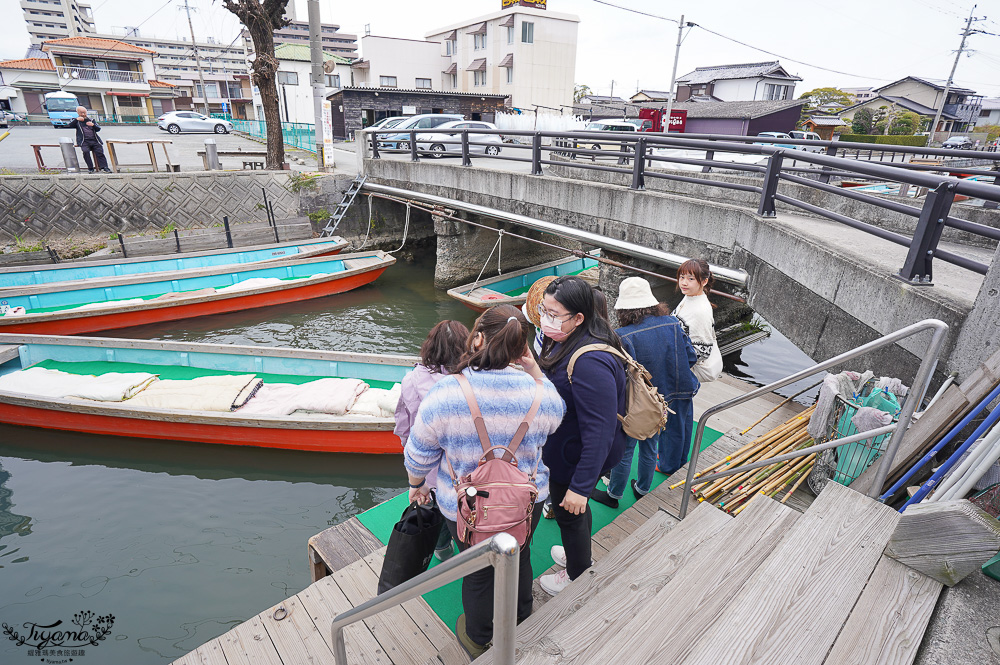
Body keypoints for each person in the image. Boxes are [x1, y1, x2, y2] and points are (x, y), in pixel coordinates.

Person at [404, 305, 565, 657]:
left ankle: (478, 636)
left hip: (466, 504)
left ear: (477, 338)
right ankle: (521, 618)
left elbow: (418, 456)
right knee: (519, 554)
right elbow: (557, 416)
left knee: (477, 570)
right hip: (526, 499)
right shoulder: (540, 394)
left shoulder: (446, 392)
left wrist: (417, 484)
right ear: (522, 348)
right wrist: (535, 371)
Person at [535, 275, 627, 596]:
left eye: (553, 314)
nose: (546, 319)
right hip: (569, 448)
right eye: (543, 310)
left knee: (570, 511)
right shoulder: (573, 338)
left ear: (578, 318)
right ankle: (579, 555)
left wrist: (581, 486)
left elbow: (600, 430)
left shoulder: (590, 361)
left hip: (575, 458)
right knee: (576, 512)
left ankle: (576, 575)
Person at [592, 277, 698, 508]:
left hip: (638, 403)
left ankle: (614, 495)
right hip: (668, 398)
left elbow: (618, 377)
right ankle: (642, 489)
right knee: (651, 445)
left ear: (623, 308)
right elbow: (691, 357)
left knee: (626, 450)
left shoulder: (622, 335)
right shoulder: (672, 323)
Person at [393, 319, 469, 561]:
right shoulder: (472, 378)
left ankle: (442, 549)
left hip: (429, 467)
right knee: (464, 509)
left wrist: (416, 478)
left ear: (429, 346)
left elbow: (404, 426)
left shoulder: (412, 380)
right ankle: (469, 549)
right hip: (464, 467)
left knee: (433, 508)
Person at [673, 258, 723, 386]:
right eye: (682, 277)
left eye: (691, 279)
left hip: (682, 373)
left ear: (704, 281)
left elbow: (702, 352)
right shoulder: (690, 297)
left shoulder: (700, 311)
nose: (684, 283)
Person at [67, 106, 110, 173]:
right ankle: (90, 168)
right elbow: (69, 125)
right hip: (84, 141)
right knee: (86, 152)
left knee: (100, 152)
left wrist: (93, 125)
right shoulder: (76, 121)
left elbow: (98, 129)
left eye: (84, 112)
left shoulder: (91, 120)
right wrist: (76, 120)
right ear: (77, 113)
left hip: (95, 140)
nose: (83, 114)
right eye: (81, 113)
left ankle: (104, 167)